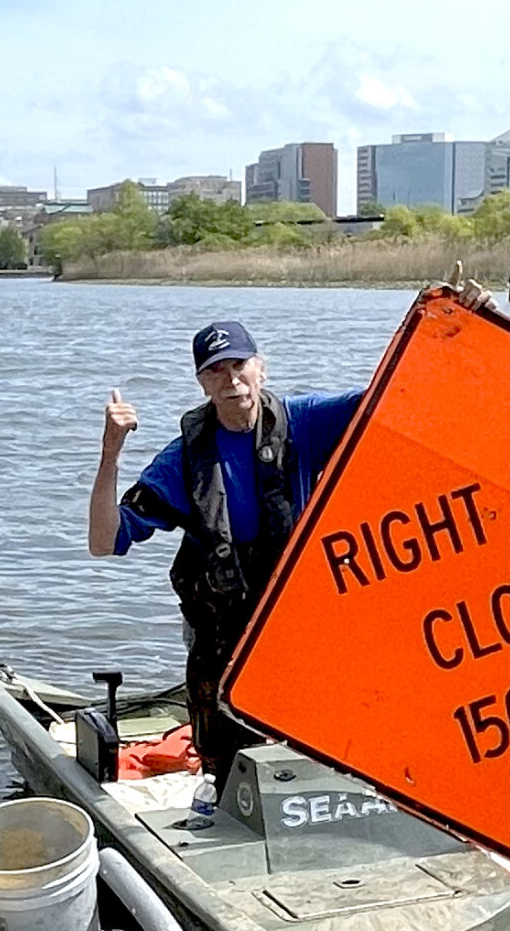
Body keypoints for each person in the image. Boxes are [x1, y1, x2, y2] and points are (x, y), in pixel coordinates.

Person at [88, 321, 364, 798]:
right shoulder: (184, 460)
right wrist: (110, 453)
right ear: (202, 382)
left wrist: (459, 323)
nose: (231, 379)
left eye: (239, 365)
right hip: (221, 637)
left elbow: (399, 392)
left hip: (292, 625)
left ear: (260, 367)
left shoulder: (306, 422)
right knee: (228, 766)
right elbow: (104, 541)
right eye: (216, 371)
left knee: (319, 746)